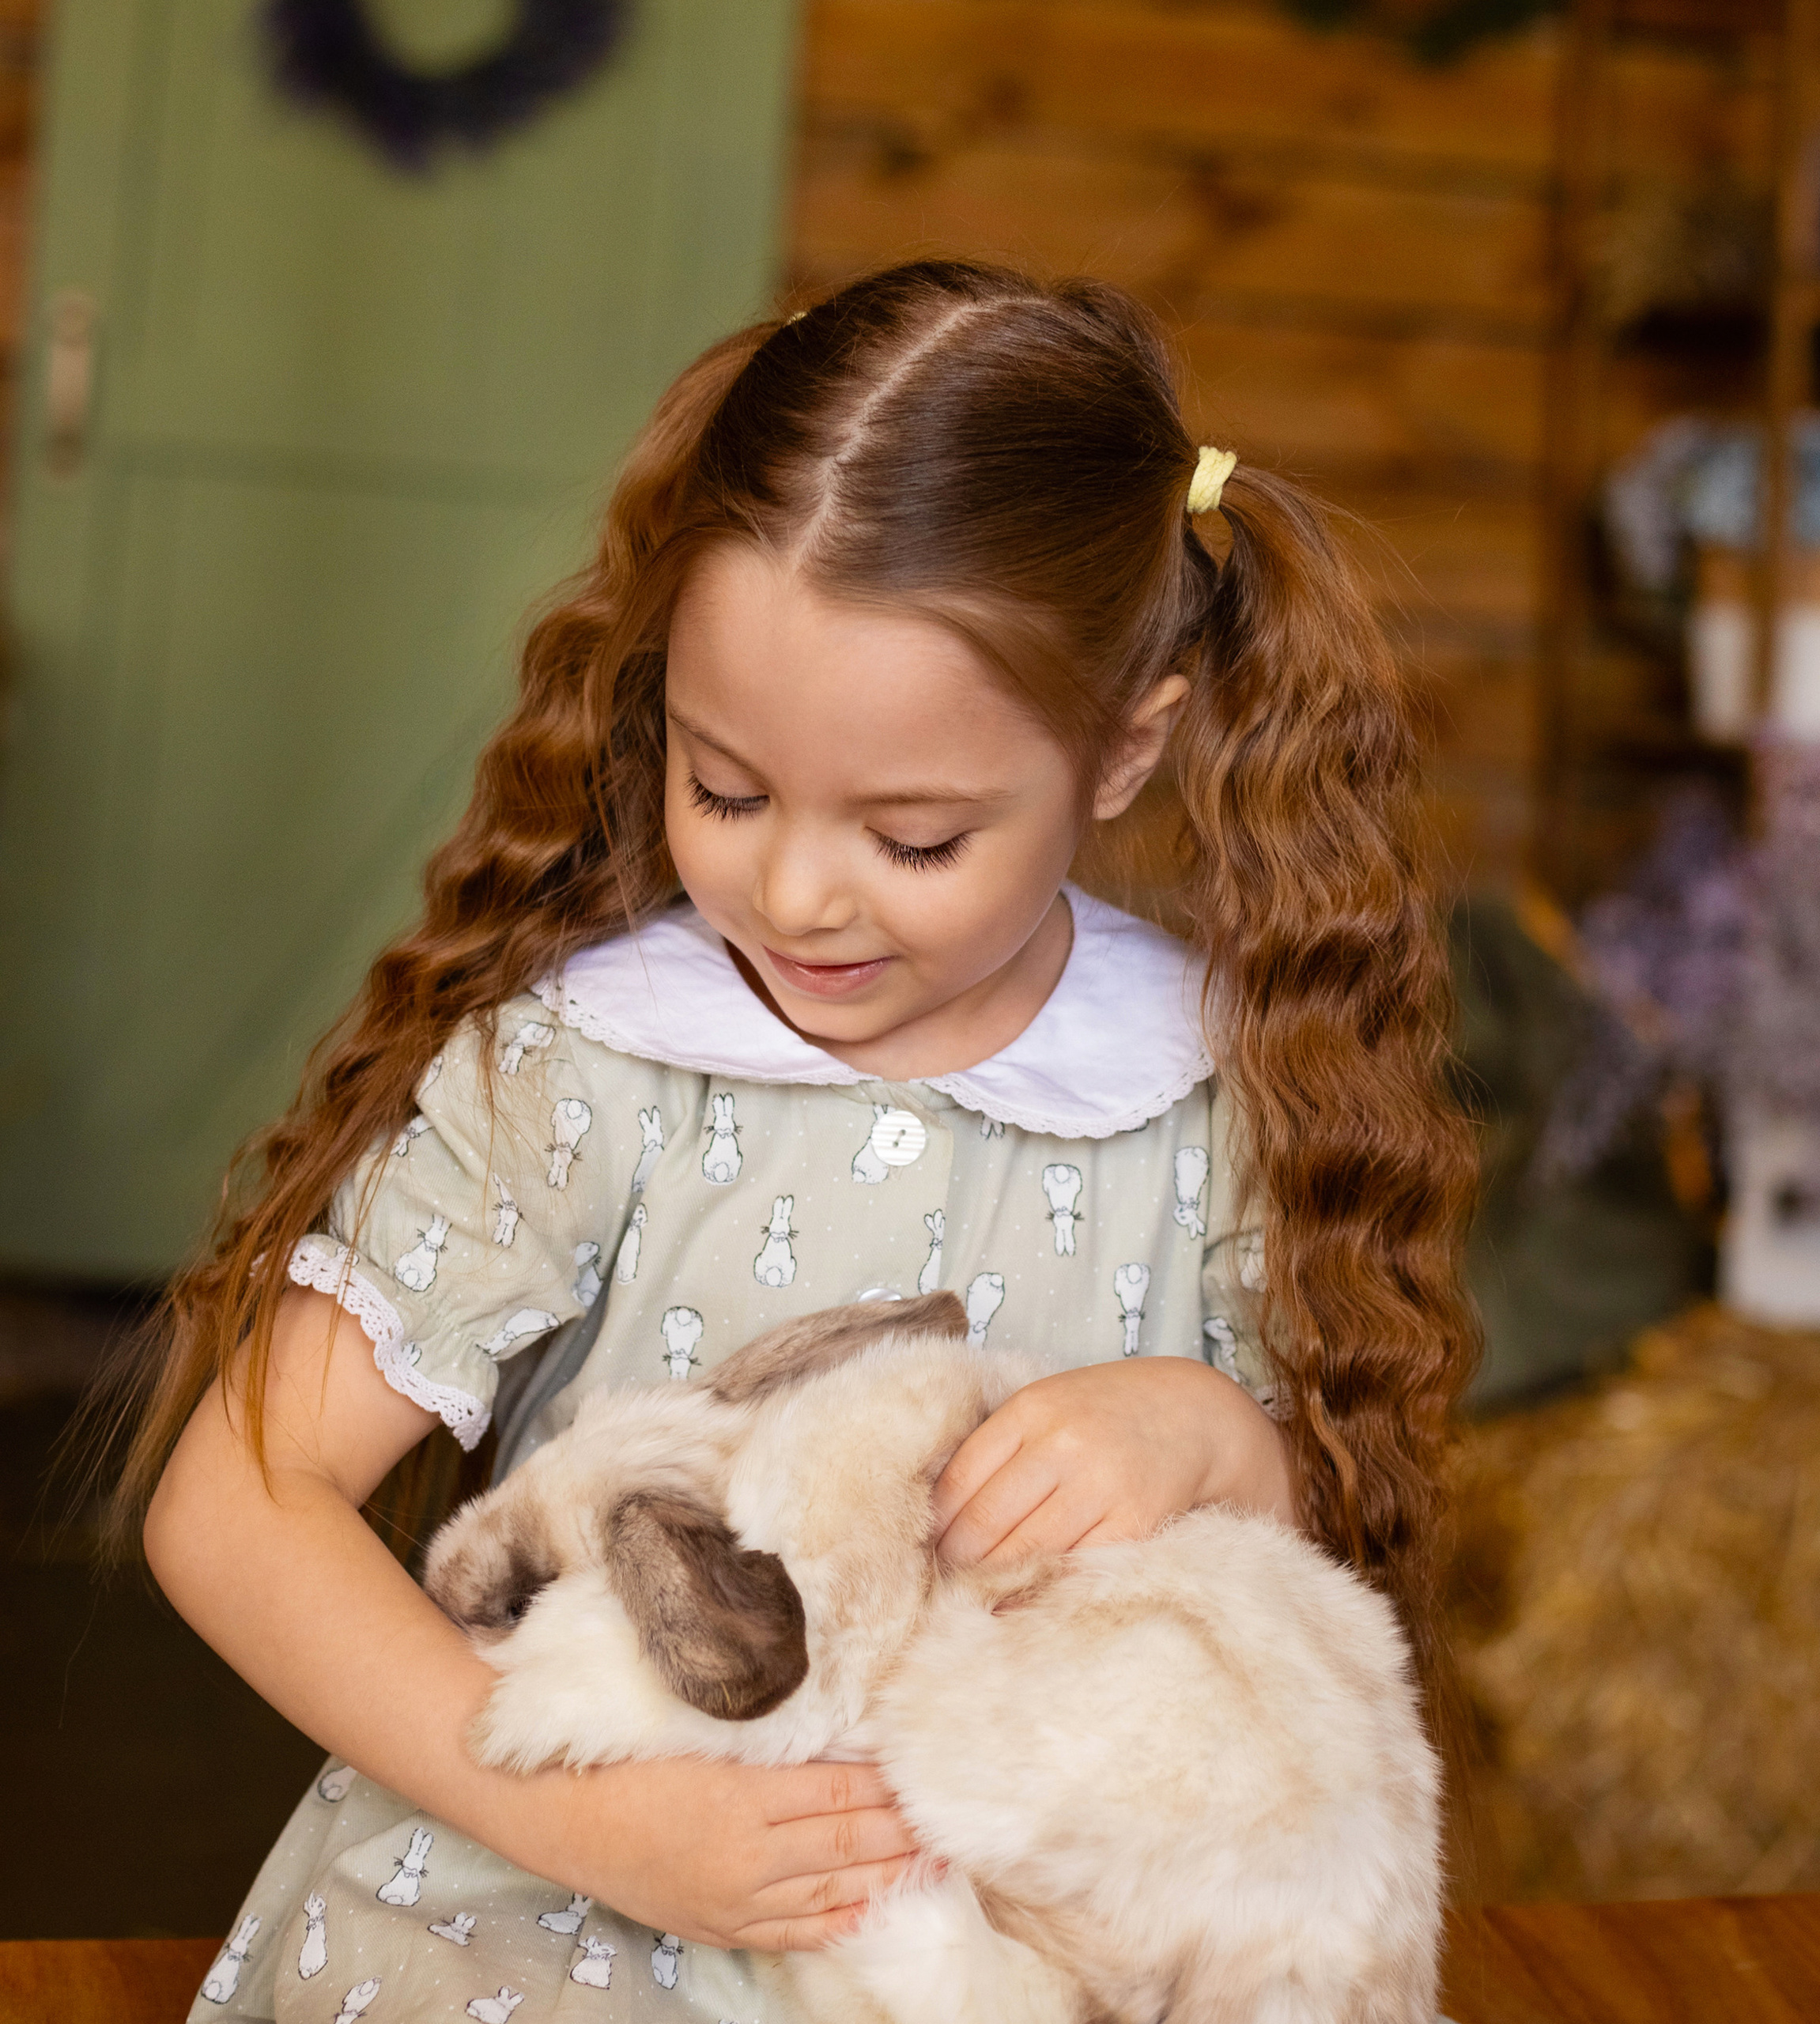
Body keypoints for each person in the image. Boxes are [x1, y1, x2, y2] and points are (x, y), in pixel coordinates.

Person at [125, 261, 1476, 2021]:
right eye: (726, 788)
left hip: (1006, 1939)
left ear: (1121, 751)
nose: (792, 889)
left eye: (913, 835)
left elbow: (1319, 1565)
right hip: (555, 1903)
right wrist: (609, 1818)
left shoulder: (1199, 1092)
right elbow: (236, 1501)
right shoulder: (588, 1068)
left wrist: (1213, 1435)